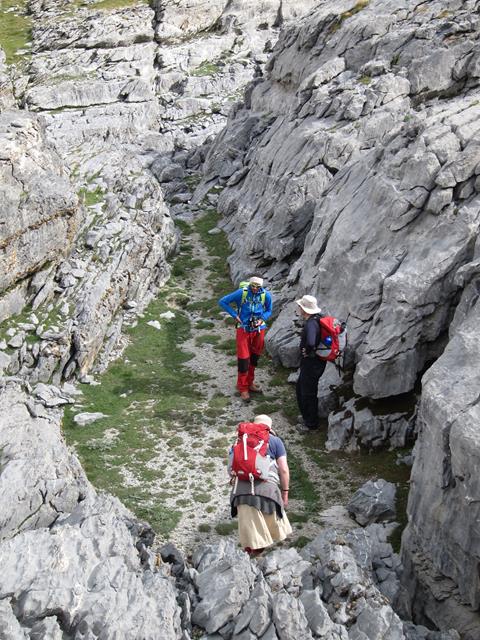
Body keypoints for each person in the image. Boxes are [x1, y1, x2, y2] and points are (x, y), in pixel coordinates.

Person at [229, 414, 292, 555]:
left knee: (252, 537)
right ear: (269, 428)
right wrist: (285, 492)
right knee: (275, 529)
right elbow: (283, 469)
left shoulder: (239, 441)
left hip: (241, 493)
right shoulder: (275, 441)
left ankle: (251, 561)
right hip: (268, 491)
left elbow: (230, 469)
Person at [218, 276, 273, 401]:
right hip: (243, 329)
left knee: (254, 358)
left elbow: (269, 310)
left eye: (257, 287)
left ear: (261, 287)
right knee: (243, 359)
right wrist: (234, 315)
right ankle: (242, 388)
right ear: (249, 284)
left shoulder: (266, 295)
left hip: (259, 329)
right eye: (252, 285)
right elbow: (222, 301)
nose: (254, 288)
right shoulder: (241, 293)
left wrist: (261, 319)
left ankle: (250, 383)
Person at [295, 294, 326, 432]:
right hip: (316, 362)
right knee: (301, 388)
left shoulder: (311, 323)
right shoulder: (318, 319)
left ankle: (311, 423)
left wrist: (306, 351)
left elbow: (312, 342)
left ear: (304, 309)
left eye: (300, 306)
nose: (299, 308)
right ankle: (307, 416)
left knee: (308, 393)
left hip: (311, 363)